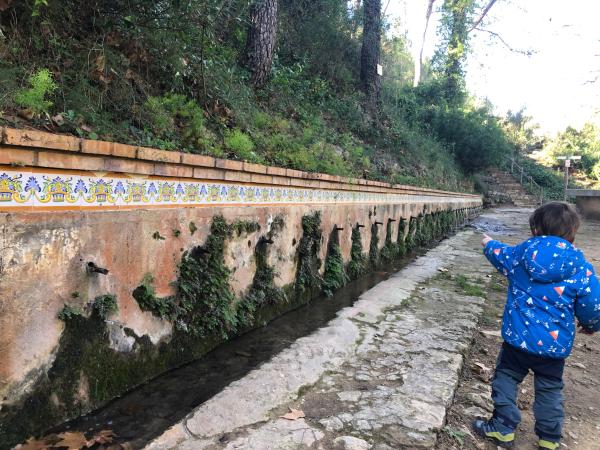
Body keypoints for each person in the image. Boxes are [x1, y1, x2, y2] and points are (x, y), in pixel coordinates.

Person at [473, 202, 600, 450]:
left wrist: (488, 244)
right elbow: (593, 304)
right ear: (572, 232)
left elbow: (501, 254)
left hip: (517, 341)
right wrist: (591, 325)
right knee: (550, 390)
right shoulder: (581, 267)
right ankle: (549, 439)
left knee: (505, 379)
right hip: (553, 347)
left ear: (534, 229)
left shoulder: (521, 255)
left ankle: (503, 427)